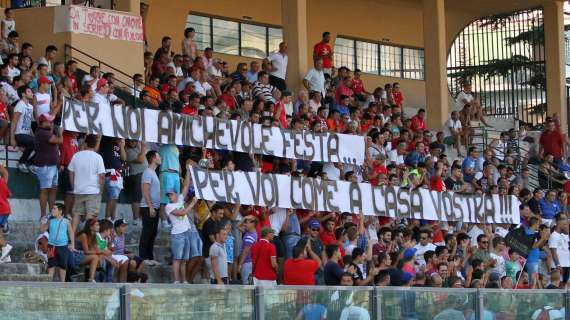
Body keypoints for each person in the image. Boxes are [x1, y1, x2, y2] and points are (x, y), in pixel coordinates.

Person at [67, 134, 105, 232]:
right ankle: (89, 242)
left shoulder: (76, 155)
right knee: (90, 216)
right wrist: (101, 190)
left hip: (79, 189)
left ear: (85, 143)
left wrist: (73, 186)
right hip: (93, 191)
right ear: (95, 144)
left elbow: (71, 172)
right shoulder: (98, 157)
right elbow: (101, 176)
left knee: (76, 214)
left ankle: (72, 242)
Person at [164, 182, 199, 284]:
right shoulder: (168, 206)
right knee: (177, 259)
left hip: (186, 232)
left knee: (184, 260)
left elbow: (186, 186)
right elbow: (182, 213)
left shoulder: (179, 200)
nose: (169, 196)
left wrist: (188, 170)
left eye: (171, 194)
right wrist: (192, 204)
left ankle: (184, 281)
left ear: (176, 194)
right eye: (168, 195)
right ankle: (176, 281)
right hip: (177, 234)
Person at [41, 203, 74, 282]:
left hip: (63, 246)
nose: (52, 210)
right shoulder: (50, 221)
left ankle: (62, 283)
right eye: (52, 208)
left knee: (63, 265)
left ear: (60, 211)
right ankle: (49, 283)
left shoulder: (66, 221)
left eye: (54, 209)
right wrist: (42, 223)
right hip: (51, 246)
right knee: (51, 264)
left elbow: (71, 232)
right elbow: (42, 230)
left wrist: (72, 244)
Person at [139, 150, 162, 262]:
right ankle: (143, 256)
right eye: (158, 156)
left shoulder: (154, 173)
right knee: (147, 232)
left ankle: (149, 255)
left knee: (153, 232)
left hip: (155, 207)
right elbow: (145, 190)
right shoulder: (147, 172)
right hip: (147, 207)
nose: (160, 158)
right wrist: (150, 206)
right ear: (153, 158)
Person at [98, 136, 126, 221]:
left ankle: (113, 219)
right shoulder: (105, 141)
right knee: (112, 196)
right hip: (108, 173)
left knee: (115, 197)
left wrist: (122, 146)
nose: (119, 139)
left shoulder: (118, 145)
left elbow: (124, 159)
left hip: (117, 174)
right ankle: (108, 218)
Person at [10, 86, 35, 173]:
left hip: (27, 135)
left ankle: (30, 163)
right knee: (35, 142)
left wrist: (34, 136)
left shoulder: (31, 107)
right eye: (29, 91)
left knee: (42, 143)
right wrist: (12, 138)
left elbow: (29, 124)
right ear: (23, 94)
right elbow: (14, 122)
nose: (32, 93)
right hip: (19, 134)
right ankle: (21, 162)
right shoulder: (20, 105)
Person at [125, 140, 147, 225]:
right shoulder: (127, 150)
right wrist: (143, 148)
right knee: (137, 198)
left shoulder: (137, 147)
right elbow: (141, 159)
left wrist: (142, 146)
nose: (133, 142)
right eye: (131, 141)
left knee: (143, 198)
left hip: (144, 175)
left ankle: (141, 217)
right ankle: (136, 218)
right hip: (136, 175)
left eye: (135, 141)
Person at [549, 213, 570, 284]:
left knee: (566, 286)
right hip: (558, 266)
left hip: (567, 264)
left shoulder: (565, 235)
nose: (566, 221)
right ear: (558, 221)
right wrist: (558, 265)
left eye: (566, 219)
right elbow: (553, 252)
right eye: (564, 219)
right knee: (558, 287)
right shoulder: (553, 235)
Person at [237, 215, 258, 284]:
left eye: (247, 222)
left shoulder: (250, 236)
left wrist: (240, 264)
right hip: (248, 262)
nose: (245, 224)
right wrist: (245, 218)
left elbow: (245, 252)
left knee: (246, 284)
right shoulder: (251, 233)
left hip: (246, 263)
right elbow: (238, 226)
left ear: (253, 224)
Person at [0, 163, 10, 234]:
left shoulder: (2, 182)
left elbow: (5, 173)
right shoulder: (2, 182)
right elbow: (9, 194)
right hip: (6, 210)